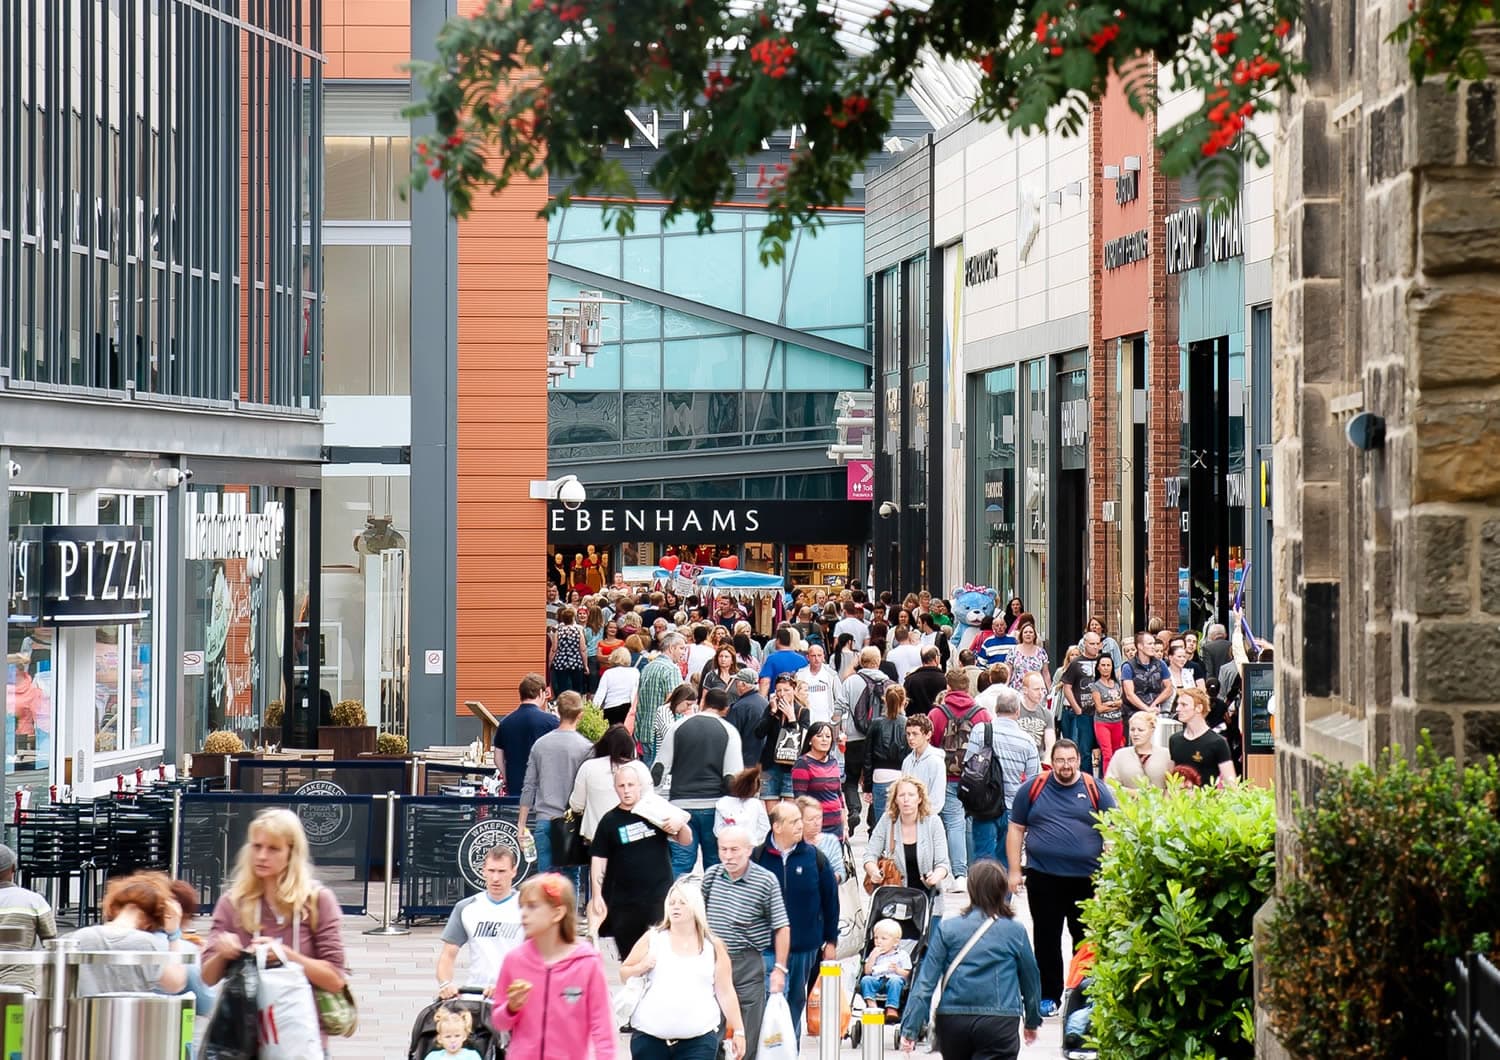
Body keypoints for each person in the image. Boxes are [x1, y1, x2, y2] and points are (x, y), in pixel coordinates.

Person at [201, 807, 348, 1047]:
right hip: (245, 1040)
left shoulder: (317, 900)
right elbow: (207, 977)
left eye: (273, 848)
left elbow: (335, 979)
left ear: (291, 853)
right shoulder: (232, 902)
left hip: (301, 1039)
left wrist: (287, 955)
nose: (262, 856)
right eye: (256, 846)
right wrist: (222, 952)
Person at [1005, 740, 1118, 1015]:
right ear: (1051, 761)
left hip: (1087, 879)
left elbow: (1111, 835)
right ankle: (1048, 996)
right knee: (1046, 938)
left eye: (1070, 760)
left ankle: (1084, 995)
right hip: (1044, 876)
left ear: (1078, 760)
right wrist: (1014, 870)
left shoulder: (1096, 789)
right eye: (1060, 760)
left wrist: (1108, 878)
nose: (1065, 766)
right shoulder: (1033, 788)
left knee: (1085, 939)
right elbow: (1016, 829)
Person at [897, 860, 1042, 1059]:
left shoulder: (948, 928)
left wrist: (910, 1028)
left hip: (954, 1019)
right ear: (1002, 889)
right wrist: (1032, 1020)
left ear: (971, 890)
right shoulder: (1015, 930)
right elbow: (1031, 979)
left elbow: (925, 982)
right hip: (999, 1020)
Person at [619, 880, 747, 1060]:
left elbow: (726, 992)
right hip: (650, 1040)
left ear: (695, 907)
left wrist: (738, 1031)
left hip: (699, 1042)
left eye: (682, 902)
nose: (675, 907)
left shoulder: (713, 947)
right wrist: (641, 967)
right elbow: (624, 973)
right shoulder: (653, 938)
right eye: (671, 903)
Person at [492, 874, 615, 1058]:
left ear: (558, 913)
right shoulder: (514, 960)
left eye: (532, 906)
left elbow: (603, 1028)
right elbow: (499, 1022)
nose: (523, 913)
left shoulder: (588, 962)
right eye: (521, 906)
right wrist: (511, 1007)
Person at [753, 802, 839, 1042]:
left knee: (795, 1000)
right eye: (794, 822)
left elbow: (831, 900)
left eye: (800, 820)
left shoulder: (815, 858)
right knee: (774, 996)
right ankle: (771, 1048)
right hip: (768, 946)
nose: (800, 825)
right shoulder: (757, 858)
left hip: (804, 946)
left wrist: (831, 941)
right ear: (777, 827)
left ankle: (790, 1048)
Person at [702, 828, 790, 1060]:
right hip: (714, 960)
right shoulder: (712, 875)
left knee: (748, 1035)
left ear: (749, 850)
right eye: (723, 850)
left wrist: (779, 968)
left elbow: (782, 926)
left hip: (747, 962)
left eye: (734, 850)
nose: (728, 856)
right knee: (710, 1032)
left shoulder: (765, 880)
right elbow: (697, 916)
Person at [589, 765, 693, 958]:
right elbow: (598, 859)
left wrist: (680, 824)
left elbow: (686, 840)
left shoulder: (653, 810)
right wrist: (597, 895)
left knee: (660, 955)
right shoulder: (609, 821)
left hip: (658, 897)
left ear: (639, 786)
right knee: (630, 958)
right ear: (615, 788)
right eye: (621, 786)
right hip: (624, 902)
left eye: (630, 785)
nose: (626, 790)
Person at [654, 687, 743, 874]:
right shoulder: (729, 732)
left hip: (680, 807)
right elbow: (732, 778)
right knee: (716, 865)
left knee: (680, 863)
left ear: (703, 702)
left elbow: (659, 770)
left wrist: (657, 801)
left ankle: (674, 893)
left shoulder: (677, 727)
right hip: (715, 808)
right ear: (726, 709)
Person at [70, 872, 189, 996]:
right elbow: (176, 984)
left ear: (113, 907)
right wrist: (174, 934)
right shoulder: (147, 944)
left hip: (81, 1008)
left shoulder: (78, 938)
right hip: (129, 1008)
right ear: (149, 923)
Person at [518, 690, 594, 876]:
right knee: (571, 879)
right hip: (572, 822)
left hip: (545, 818)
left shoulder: (540, 745)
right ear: (580, 715)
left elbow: (529, 786)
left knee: (545, 879)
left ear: (558, 711)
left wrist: (521, 823)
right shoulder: (586, 748)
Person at [963, 688, 1041, 867]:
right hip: (1013, 807)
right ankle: (1003, 886)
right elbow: (1033, 781)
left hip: (984, 805)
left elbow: (969, 764)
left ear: (996, 709)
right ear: (1018, 711)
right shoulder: (1027, 741)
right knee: (1007, 859)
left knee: (983, 856)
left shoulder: (980, 731)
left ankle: (984, 885)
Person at [435, 845, 523, 998]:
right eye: (491, 871)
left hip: (513, 995)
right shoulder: (466, 907)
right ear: (483, 871)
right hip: (476, 994)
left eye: (502, 871)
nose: (495, 878)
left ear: (513, 871)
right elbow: (448, 955)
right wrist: (445, 984)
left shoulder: (527, 907)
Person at [929, 670, 990, 881]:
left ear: (948, 687)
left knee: (954, 823)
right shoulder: (981, 713)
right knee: (971, 821)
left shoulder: (937, 713)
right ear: (967, 687)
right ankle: (974, 869)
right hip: (975, 778)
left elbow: (931, 743)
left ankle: (959, 873)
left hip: (946, 776)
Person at [862, 776, 950, 898]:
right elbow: (870, 855)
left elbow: (943, 863)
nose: (906, 800)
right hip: (894, 897)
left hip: (928, 897)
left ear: (920, 799)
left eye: (911, 795)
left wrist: (935, 876)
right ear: (895, 800)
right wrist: (874, 872)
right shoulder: (887, 820)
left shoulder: (933, 822)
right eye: (901, 795)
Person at [840, 646, 892, 829]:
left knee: (851, 779)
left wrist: (840, 731)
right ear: (878, 661)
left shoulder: (850, 682)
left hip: (854, 738)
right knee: (875, 780)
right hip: (879, 739)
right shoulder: (889, 683)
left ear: (861, 662)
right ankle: (873, 819)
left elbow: (841, 709)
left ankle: (854, 809)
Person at [569, 724, 641, 845]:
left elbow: (576, 805)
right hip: (629, 839)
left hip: (596, 838)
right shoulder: (638, 768)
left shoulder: (588, 767)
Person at [0, 842, 57, 991]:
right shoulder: (33, 900)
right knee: (14, 1008)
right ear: (14, 868)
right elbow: (51, 941)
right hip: (18, 988)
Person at [493, 672, 559, 797]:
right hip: (543, 790)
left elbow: (497, 757)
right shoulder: (551, 722)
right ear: (541, 693)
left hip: (515, 789)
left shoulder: (505, 722)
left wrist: (507, 777)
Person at [754, 673, 810, 809]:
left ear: (794, 690)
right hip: (770, 765)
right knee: (772, 813)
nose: (782, 694)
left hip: (791, 767)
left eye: (786, 690)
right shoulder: (771, 709)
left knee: (791, 812)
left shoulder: (802, 711)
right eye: (779, 690)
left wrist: (792, 719)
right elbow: (759, 733)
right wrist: (772, 712)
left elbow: (802, 741)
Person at [1169, 687, 1237, 787]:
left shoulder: (1218, 742)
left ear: (1199, 708)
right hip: (1180, 796)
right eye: (1178, 704)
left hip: (1207, 796)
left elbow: (1231, 783)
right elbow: (1170, 780)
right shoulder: (1174, 740)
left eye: (1184, 705)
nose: (1178, 709)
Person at [862, 685, 910, 827]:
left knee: (881, 823)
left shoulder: (876, 724)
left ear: (885, 700)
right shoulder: (908, 724)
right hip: (901, 774)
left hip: (880, 774)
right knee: (901, 823)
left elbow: (868, 756)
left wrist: (867, 786)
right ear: (904, 701)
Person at [638, 633, 688, 766]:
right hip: (662, 735)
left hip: (645, 731)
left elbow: (639, 701)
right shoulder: (672, 669)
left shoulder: (648, 667)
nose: (684, 653)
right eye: (682, 648)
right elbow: (673, 703)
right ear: (671, 648)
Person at [791, 721, 845, 839]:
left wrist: (845, 825)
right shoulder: (803, 763)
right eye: (819, 736)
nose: (824, 740)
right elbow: (800, 799)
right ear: (810, 740)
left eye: (828, 736)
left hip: (836, 826)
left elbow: (839, 795)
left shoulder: (833, 761)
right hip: (816, 827)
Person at [1060, 631, 1103, 774]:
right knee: (1084, 750)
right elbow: (1067, 687)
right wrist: (1077, 708)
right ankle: (1086, 779)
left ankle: (1104, 779)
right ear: (1085, 644)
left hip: (1102, 712)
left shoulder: (1104, 660)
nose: (1095, 647)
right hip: (1084, 712)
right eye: (1092, 644)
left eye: (1097, 643)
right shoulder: (1075, 663)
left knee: (1104, 749)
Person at [859, 918, 912, 1021]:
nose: (878, 941)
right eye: (876, 938)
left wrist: (897, 970)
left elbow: (907, 973)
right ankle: (872, 1006)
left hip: (893, 981)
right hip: (877, 980)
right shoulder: (874, 954)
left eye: (884, 939)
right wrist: (873, 957)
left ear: (895, 942)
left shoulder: (902, 955)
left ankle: (891, 1008)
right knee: (865, 980)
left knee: (895, 981)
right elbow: (867, 971)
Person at [1105, 711, 1171, 791]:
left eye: (1141, 730)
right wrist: (1131, 792)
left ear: (1152, 730)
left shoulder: (1166, 755)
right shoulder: (1120, 755)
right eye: (1132, 730)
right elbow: (1109, 786)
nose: (1135, 734)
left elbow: (1174, 787)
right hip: (1126, 799)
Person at [899, 714, 947, 820]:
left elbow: (937, 798)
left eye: (915, 734)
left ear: (928, 735)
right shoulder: (907, 761)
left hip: (926, 817)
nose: (910, 738)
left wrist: (924, 815)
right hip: (908, 816)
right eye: (908, 734)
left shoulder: (936, 762)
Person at [1121, 630, 1173, 725]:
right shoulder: (1128, 667)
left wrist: (1154, 704)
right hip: (1132, 714)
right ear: (1140, 646)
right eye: (1150, 644)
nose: (1153, 646)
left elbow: (1169, 688)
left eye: (1153, 643)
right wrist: (1146, 709)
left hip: (1154, 712)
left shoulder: (1160, 664)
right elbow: (1129, 694)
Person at [1089, 653, 1126, 775]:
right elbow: (1099, 708)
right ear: (1098, 667)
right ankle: (1107, 780)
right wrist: (1115, 704)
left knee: (1116, 752)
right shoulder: (1096, 686)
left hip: (1117, 722)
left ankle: (1116, 778)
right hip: (1102, 723)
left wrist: (1110, 704)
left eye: (1108, 665)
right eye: (1103, 665)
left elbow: (1121, 702)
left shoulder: (1117, 683)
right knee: (1107, 753)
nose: (1105, 668)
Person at [715, 767, 771, 847]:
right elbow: (765, 827)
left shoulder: (722, 803)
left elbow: (718, 830)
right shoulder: (756, 804)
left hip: (728, 845)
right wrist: (753, 840)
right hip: (749, 845)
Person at [795, 645, 846, 727]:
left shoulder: (831, 675)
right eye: (813, 656)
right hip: (807, 722)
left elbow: (839, 698)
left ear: (823, 657)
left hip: (826, 721)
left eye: (819, 655)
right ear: (808, 657)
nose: (816, 659)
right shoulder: (800, 675)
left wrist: (836, 717)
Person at [595, 647, 641, 726]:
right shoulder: (635, 672)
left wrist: (594, 709)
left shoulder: (608, 673)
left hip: (610, 708)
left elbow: (600, 695)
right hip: (628, 708)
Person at [757, 629, 808, 696]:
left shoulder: (772, 659)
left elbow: (765, 682)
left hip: (778, 697)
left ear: (778, 640)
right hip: (797, 698)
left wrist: (761, 699)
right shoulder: (802, 660)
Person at [552, 608, 591, 695]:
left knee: (563, 688)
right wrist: (585, 665)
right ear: (573, 618)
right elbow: (583, 649)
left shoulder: (558, 631)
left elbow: (554, 649)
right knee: (577, 688)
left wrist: (550, 662)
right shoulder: (578, 631)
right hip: (576, 662)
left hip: (561, 663)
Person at [1016, 671, 1055, 757]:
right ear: (1025, 690)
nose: (1040, 693)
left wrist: (1046, 761)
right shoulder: (1014, 711)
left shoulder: (1047, 714)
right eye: (1036, 689)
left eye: (1042, 689)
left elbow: (1050, 746)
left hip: (1038, 759)